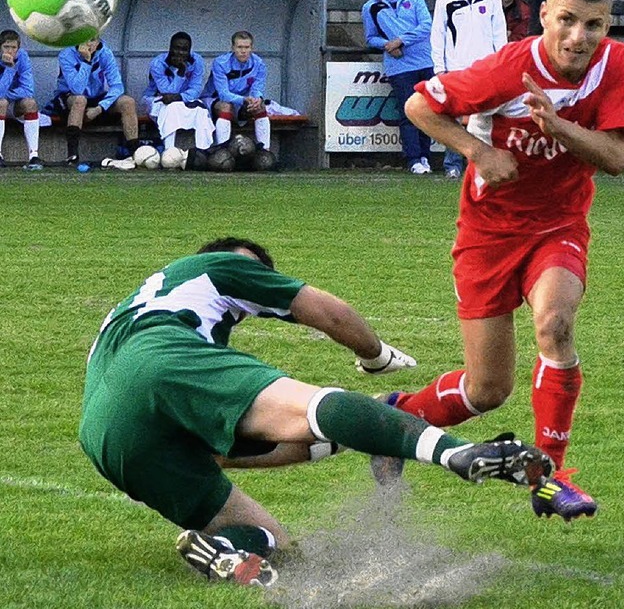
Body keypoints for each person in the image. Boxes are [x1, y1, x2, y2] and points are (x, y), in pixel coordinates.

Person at [79, 236, 548, 587]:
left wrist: (345, 439)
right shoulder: (218, 266)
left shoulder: (130, 315)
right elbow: (330, 313)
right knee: (314, 404)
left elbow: (226, 455)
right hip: (156, 361)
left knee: (273, 542)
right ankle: (459, 455)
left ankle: (223, 550)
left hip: (104, 433)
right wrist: (375, 356)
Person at [396, 0, 624, 521]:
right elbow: (418, 106)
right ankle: (398, 417)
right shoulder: (508, 68)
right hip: (487, 234)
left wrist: (558, 128)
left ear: (609, 27)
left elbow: (617, 158)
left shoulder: (619, 65)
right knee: (487, 390)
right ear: (545, 15)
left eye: (595, 25)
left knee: (555, 323)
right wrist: (479, 152)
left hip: (559, 226)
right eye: (568, 21)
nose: (579, 37)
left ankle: (550, 475)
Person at [430, 0, 507, 179]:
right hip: (456, 68)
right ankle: (452, 164)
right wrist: (439, 67)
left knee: (485, 117)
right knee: (453, 118)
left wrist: (500, 64)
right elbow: (438, 34)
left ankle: (481, 164)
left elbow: (499, 33)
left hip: (485, 68)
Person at [361, 0, 435, 175]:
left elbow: (426, 26)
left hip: (425, 61)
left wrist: (400, 40)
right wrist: (386, 45)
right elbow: (370, 37)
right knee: (408, 112)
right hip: (399, 67)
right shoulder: (371, 7)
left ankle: (425, 156)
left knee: (428, 111)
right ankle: (413, 159)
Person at [44, 37, 139, 167]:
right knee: (80, 100)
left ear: (99, 41)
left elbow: (117, 86)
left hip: (96, 100)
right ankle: (72, 155)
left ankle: (135, 154)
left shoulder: (105, 52)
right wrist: (87, 62)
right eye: (85, 40)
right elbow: (77, 88)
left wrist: (100, 108)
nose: (89, 44)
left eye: (93, 40)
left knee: (128, 102)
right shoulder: (66, 54)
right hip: (69, 98)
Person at [142, 32, 214, 151]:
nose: (180, 53)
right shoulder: (158, 63)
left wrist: (180, 97)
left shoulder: (197, 61)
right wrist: (181, 73)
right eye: (176, 48)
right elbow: (167, 92)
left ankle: (202, 151)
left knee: (201, 109)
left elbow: (195, 90)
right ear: (170, 48)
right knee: (171, 108)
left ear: (189, 50)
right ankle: (169, 151)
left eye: (184, 50)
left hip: (182, 99)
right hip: (154, 100)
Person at [201, 31, 271, 151]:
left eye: (246, 47)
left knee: (260, 107)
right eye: (239, 47)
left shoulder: (259, 64)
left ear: (251, 48)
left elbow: (257, 89)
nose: (243, 51)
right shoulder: (220, 63)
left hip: (240, 101)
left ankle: (265, 151)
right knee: (226, 106)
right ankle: (222, 151)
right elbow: (223, 94)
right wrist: (243, 99)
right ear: (233, 48)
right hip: (213, 99)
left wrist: (257, 99)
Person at [0, 29, 43, 171]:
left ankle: (34, 155)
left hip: (12, 103)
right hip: (1, 104)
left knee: (30, 103)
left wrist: (8, 95)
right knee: (2, 102)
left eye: (14, 48)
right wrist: (9, 68)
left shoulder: (23, 57)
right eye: (6, 47)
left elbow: (28, 90)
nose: (10, 51)